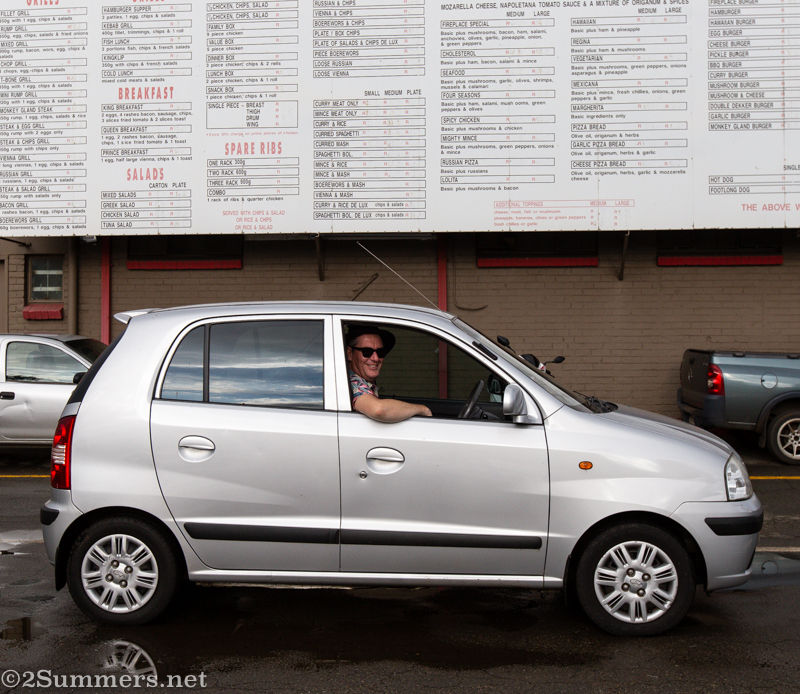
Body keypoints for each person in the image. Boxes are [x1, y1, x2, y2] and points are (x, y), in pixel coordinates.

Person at [345, 324, 432, 422]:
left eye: (380, 352)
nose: (376, 358)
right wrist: (422, 409)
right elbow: (379, 409)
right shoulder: (352, 382)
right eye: (367, 351)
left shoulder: (363, 381)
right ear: (349, 353)